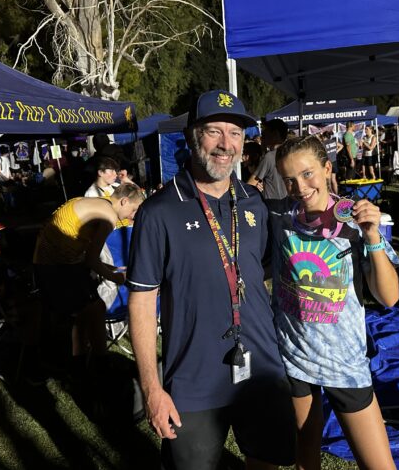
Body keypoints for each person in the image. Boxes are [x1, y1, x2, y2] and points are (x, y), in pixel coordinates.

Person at [126, 90, 295, 470]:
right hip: (193, 380)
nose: (225, 144)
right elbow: (140, 301)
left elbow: (263, 270)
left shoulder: (254, 204)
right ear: (192, 136)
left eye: (235, 133)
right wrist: (153, 390)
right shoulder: (159, 211)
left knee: (266, 462)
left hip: (262, 371)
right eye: (214, 132)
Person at [271, 135, 399, 470]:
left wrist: (372, 236)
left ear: (328, 169)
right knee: (306, 458)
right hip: (295, 357)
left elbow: (389, 297)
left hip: (344, 363)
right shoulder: (281, 219)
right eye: (289, 179)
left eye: (308, 174)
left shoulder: (355, 221)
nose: (300, 186)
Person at [33, 184, 143, 378]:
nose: (131, 216)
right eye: (133, 210)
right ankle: (100, 363)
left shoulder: (99, 203)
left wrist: (115, 269)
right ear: (124, 201)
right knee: (94, 308)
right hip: (56, 265)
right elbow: (92, 260)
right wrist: (117, 278)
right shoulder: (108, 217)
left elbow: (87, 257)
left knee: (86, 313)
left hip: (52, 262)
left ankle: (82, 363)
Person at [247, 118, 289, 200]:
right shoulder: (291, 153)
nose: (262, 136)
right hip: (290, 207)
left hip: (272, 206)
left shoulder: (270, 157)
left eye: (265, 133)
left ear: (275, 134)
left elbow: (250, 184)